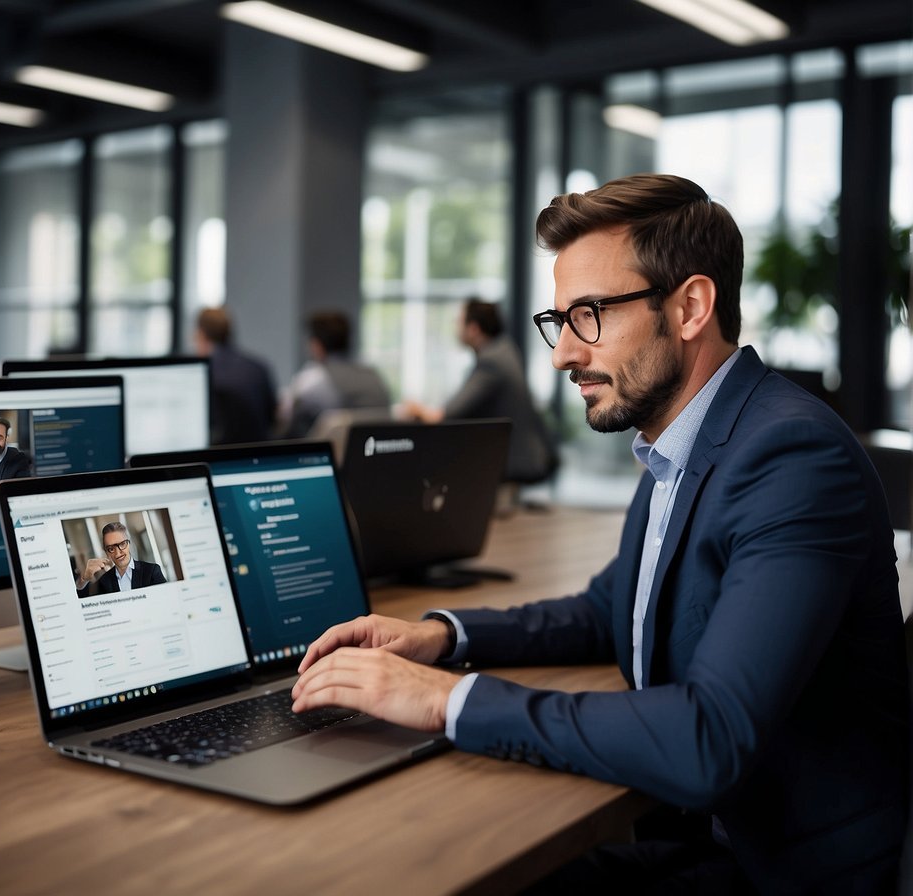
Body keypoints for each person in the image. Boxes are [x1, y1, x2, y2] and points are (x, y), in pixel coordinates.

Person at [291, 174, 910, 894]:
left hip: (777, 870)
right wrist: (441, 636)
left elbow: (706, 737)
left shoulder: (792, 458)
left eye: (589, 315)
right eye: (559, 320)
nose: (562, 355)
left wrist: (441, 701)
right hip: (708, 835)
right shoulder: (685, 442)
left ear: (690, 307)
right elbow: (607, 611)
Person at [403, 297, 559, 486]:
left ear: (473, 328)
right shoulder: (505, 350)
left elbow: (446, 416)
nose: (456, 328)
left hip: (514, 462)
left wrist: (415, 409)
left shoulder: (491, 362)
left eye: (459, 322)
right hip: (528, 454)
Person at [280, 309, 391, 438]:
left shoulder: (312, 380)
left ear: (316, 345)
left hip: (328, 456)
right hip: (374, 454)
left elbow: (288, 425)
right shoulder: (373, 375)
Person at [194, 307, 278, 444]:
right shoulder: (259, 367)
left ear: (201, 335)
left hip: (218, 457)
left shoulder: (204, 376)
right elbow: (272, 419)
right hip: (259, 454)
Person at [76, 522, 166, 597]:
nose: (118, 553)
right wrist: (85, 578)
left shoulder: (152, 571)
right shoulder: (104, 581)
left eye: (122, 544)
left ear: (129, 543)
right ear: (106, 552)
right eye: (111, 549)